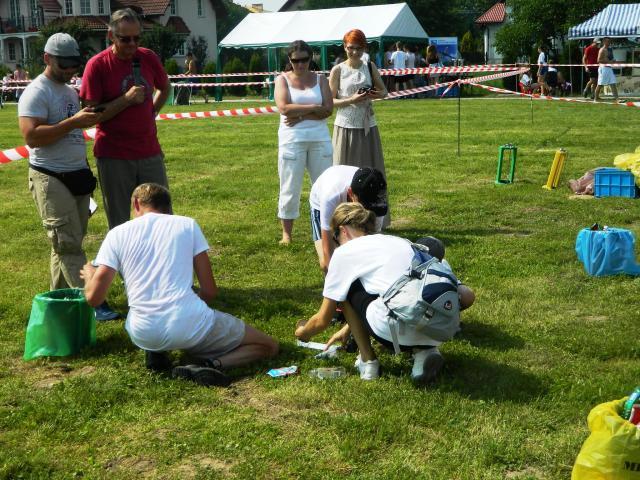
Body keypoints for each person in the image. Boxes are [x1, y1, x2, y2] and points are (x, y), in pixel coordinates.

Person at [81, 183, 279, 386]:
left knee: (152, 318)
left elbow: (94, 299)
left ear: (136, 204)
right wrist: (189, 308)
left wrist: (90, 276)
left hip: (142, 331)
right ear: (167, 207)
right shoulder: (187, 225)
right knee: (269, 346)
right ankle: (212, 364)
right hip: (191, 326)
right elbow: (209, 290)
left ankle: (157, 350)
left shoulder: (117, 234)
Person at [295, 203, 474, 384]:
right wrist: (347, 328)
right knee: (400, 292)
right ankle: (424, 355)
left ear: (343, 231)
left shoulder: (344, 253)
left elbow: (322, 320)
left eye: (335, 238)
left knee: (346, 289)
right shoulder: (399, 241)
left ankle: (368, 362)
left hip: (395, 332)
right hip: (440, 324)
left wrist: (303, 333)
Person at [18, 33, 119, 320]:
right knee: (68, 244)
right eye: (64, 64)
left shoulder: (69, 91)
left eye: (74, 64)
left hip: (76, 175)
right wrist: (74, 122)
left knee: (63, 245)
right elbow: (31, 137)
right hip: (50, 176)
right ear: (47, 58)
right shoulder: (36, 92)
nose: (70, 70)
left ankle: (58, 303)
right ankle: (95, 303)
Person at [80, 8, 172, 230]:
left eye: (137, 38)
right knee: (120, 224)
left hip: (149, 152)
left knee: (162, 219)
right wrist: (126, 100)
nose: (132, 44)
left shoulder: (148, 57)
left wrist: (151, 112)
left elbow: (165, 87)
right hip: (114, 156)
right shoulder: (97, 65)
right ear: (111, 36)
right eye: (125, 39)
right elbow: (89, 116)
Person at [274, 40, 333, 245]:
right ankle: (287, 234)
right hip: (292, 141)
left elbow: (328, 109)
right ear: (289, 60)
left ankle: (327, 230)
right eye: (295, 60)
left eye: (304, 60)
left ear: (311, 58)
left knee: (325, 188)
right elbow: (284, 108)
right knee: (290, 187)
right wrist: (314, 108)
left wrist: (300, 115)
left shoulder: (321, 79)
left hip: (320, 139)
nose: (300, 64)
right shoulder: (282, 80)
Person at [329, 29, 389, 226]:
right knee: (343, 176)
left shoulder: (369, 66)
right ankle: (343, 219)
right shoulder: (338, 70)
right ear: (344, 47)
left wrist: (373, 94)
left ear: (364, 48)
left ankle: (374, 220)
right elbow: (330, 101)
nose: (354, 52)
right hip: (345, 127)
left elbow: (384, 91)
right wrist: (351, 99)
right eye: (350, 48)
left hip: (367, 127)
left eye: (358, 48)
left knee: (371, 175)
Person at [309, 165, 388, 272]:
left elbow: (373, 241)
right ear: (351, 193)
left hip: (349, 199)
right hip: (321, 203)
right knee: (325, 263)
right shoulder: (330, 196)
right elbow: (328, 254)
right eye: (364, 207)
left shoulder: (377, 200)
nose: (368, 212)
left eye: (371, 208)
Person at [594, 37, 619, 103]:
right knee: (600, 84)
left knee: (613, 83)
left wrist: (612, 61)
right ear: (604, 42)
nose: (609, 43)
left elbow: (609, 59)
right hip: (603, 68)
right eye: (607, 41)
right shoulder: (602, 50)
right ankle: (595, 99)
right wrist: (609, 62)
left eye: (609, 41)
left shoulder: (609, 49)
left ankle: (617, 99)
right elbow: (598, 60)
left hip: (609, 68)